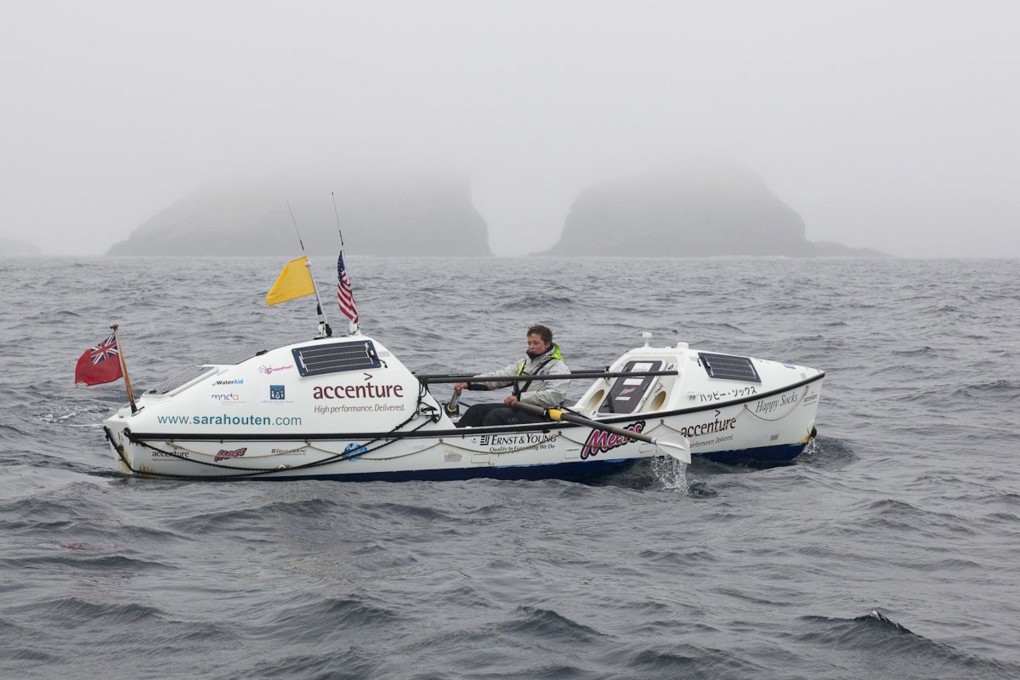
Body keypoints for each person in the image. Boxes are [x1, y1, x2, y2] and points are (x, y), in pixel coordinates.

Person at [453, 324, 570, 427]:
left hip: (542, 414)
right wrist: (470, 382)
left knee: (496, 416)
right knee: (476, 410)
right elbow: (500, 376)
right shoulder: (524, 363)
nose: (531, 347)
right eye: (529, 343)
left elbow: (554, 396)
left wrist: (520, 398)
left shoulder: (558, 367)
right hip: (520, 408)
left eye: (535, 343)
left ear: (547, 344)